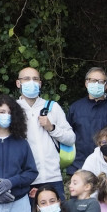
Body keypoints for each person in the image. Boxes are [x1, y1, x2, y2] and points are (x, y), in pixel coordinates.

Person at [14, 66, 76, 198]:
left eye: (35, 79)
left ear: (40, 84)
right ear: (18, 83)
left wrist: (52, 128)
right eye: (26, 79)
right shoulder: (12, 109)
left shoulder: (53, 107)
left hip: (52, 177)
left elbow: (71, 138)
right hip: (24, 178)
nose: (31, 82)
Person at [66, 66, 107, 175]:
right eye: (93, 81)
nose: (96, 84)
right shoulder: (75, 108)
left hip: (106, 166)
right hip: (79, 166)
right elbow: (67, 135)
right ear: (86, 83)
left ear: (106, 86)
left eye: (101, 81)